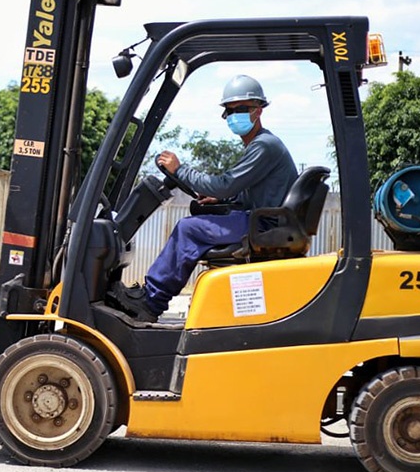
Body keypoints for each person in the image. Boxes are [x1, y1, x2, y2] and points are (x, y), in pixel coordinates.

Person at [110, 74, 298, 323]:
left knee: (188, 229)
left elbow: (225, 184)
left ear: (258, 110)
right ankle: (153, 295)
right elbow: (247, 192)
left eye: (240, 109)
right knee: (198, 218)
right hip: (262, 220)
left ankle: (151, 302)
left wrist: (180, 171)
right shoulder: (260, 146)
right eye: (228, 112)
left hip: (263, 224)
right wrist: (215, 197)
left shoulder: (264, 146)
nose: (233, 116)